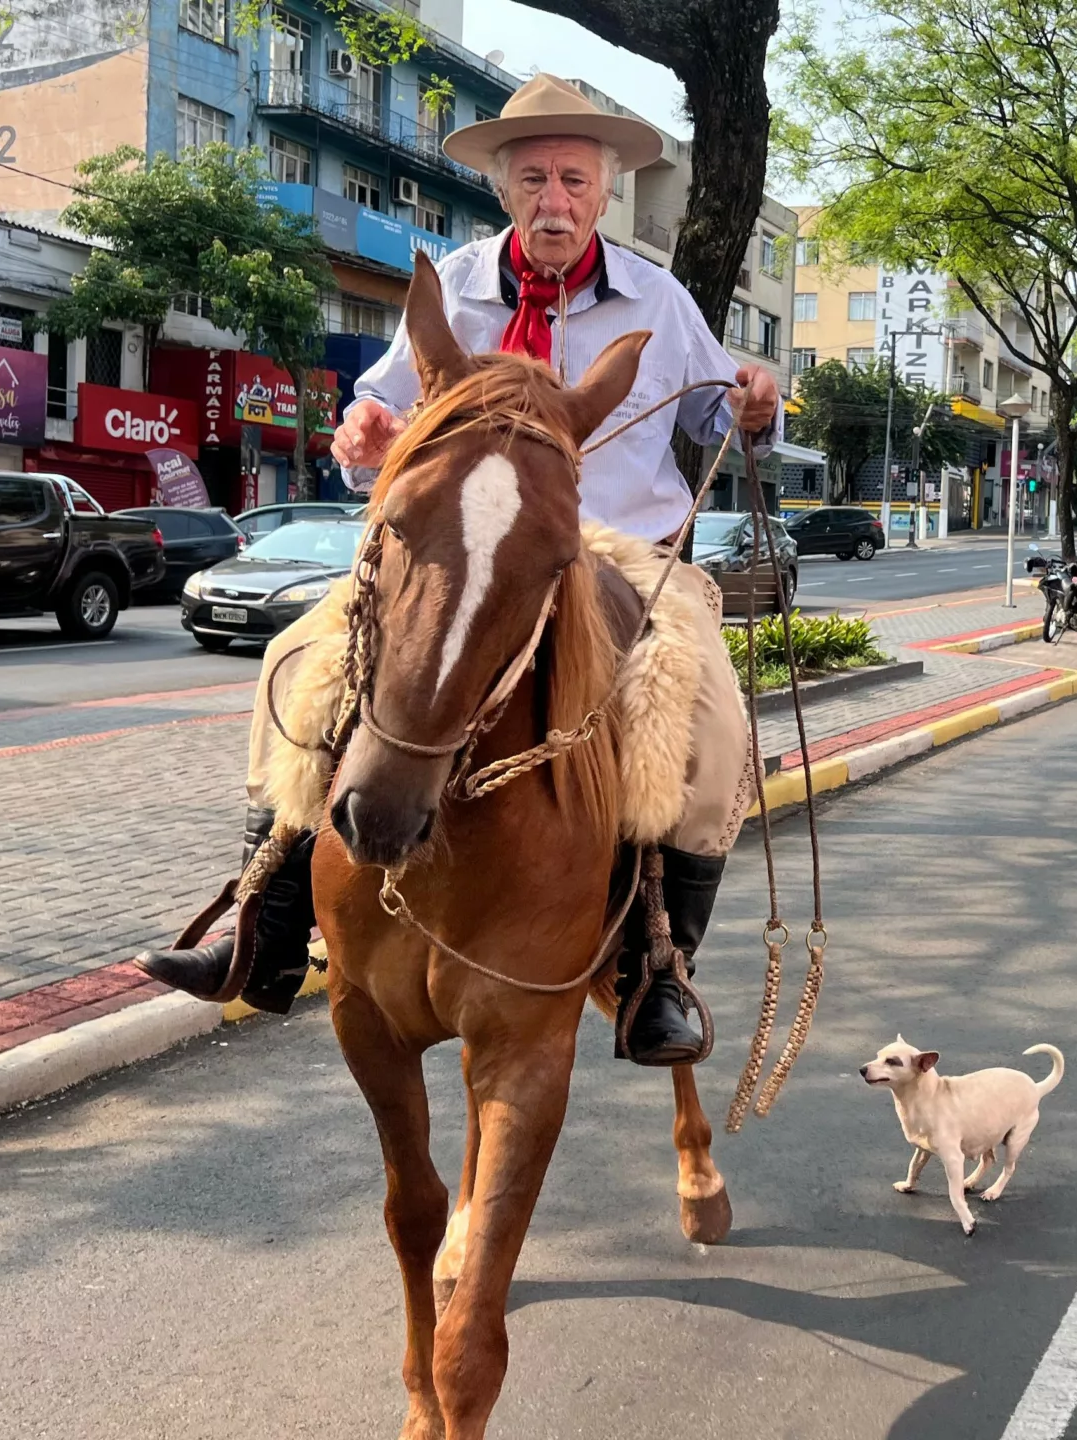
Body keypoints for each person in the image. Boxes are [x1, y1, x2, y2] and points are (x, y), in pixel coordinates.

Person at [133, 74, 782, 1067]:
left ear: (604, 191)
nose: (554, 198)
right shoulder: (454, 284)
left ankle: (659, 969)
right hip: (453, 551)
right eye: (533, 178)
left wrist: (751, 404)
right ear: (504, 187)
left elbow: (706, 415)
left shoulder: (658, 299)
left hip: (617, 556)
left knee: (708, 728)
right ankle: (259, 931)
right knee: (299, 667)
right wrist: (362, 430)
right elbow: (380, 413)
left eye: (573, 178)